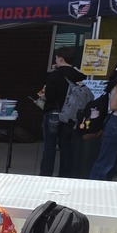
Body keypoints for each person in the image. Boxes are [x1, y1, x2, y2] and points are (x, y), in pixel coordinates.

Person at [38, 47, 85, 177]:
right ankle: (65, 176)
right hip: (71, 115)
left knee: (49, 147)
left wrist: (44, 96)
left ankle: (46, 175)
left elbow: (50, 95)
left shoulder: (54, 75)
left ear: (60, 58)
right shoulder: (79, 76)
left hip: (54, 112)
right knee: (66, 146)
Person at [89, 50, 117, 180]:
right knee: (106, 162)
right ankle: (95, 189)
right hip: (116, 122)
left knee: (112, 161)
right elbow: (114, 105)